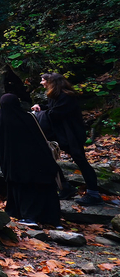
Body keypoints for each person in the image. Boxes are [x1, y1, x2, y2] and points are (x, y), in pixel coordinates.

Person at [32, 72, 102, 206]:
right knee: (47, 157)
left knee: (81, 161)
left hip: (71, 135)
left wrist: (40, 114)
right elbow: (52, 109)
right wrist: (41, 107)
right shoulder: (56, 95)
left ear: (52, 82)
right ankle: (65, 187)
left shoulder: (67, 97)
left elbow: (55, 114)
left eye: (43, 80)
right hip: (61, 134)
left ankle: (93, 194)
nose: (41, 83)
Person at [0, 93, 61, 227]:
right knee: (45, 188)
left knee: (24, 189)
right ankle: (53, 219)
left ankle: (28, 217)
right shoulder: (27, 117)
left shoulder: (1, 120)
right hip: (39, 161)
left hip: (16, 164)